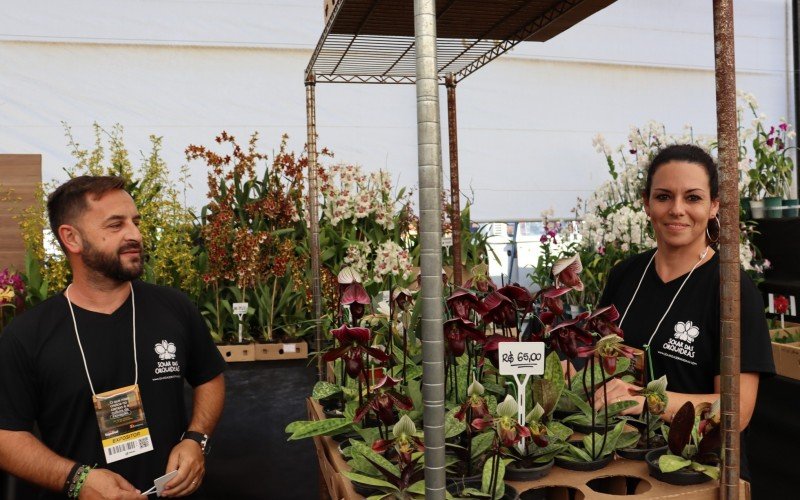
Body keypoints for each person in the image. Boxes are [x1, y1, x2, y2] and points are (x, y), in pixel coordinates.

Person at [0, 176, 226, 499]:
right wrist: (77, 480)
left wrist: (196, 438)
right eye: (116, 225)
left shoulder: (174, 308)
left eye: (135, 222)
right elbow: (6, 436)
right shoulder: (26, 336)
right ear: (72, 238)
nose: (135, 234)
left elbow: (210, 378)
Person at [593, 144, 775, 479]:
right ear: (647, 203)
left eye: (692, 198)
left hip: (699, 473)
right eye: (664, 197)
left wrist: (647, 399)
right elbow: (596, 362)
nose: (677, 209)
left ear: (713, 206)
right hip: (621, 464)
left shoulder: (732, 290)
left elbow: (737, 411)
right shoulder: (625, 275)